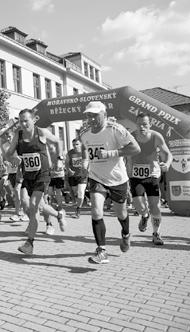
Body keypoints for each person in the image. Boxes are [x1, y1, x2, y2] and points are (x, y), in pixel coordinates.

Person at [79, 101, 140, 264]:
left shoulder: (115, 129)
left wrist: (112, 153)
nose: (91, 119)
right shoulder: (84, 133)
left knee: (121, 213)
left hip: (117, 179)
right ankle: (101, 250)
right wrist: (86, 162)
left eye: (95, 115)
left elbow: (135, 148)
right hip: (96, 178)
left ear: (104, 115)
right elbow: (86, 150)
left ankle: (126, 234)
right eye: (88, 115)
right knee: (96, 211)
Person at [6, 109, 67, 255]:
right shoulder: (18, 135)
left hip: (42, 175)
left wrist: (59, 159)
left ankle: (29, 243)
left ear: (33, 120)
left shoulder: (42, 132)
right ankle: (59, 215)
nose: (23, 123)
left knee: (33, 206)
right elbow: (8, 154)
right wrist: (13, 157)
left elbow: (58, 141)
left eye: (26, 120)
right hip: (27, 176)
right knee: (29, 206)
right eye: (20, 120)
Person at [126, 113, 172, 245]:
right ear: (136, 124)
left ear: (149, 125)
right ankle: (145, 216)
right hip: (136, 176)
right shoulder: (131, 137)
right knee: (139, 205)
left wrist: (167, 164)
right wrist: (127, 175)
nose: (142, 127)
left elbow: (168, 153)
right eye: (139, 124)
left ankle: (156, 233)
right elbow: (126, 157)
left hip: (152, 175)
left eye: (145, 124)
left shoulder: (156, 136)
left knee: (155, 206)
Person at [66, 138, 88, 218]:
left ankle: (78, 210)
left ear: (81, 144)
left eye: (77, 144)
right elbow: (66, 163)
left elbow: (88, 161)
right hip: (73, 176)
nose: (75, 146)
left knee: (80, 192)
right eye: (74, 145)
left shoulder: (84, 152)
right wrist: (69, 170)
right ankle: (83, 199)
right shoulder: (70, 153)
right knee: (76, 193)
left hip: (82, 176)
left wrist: (86, 169)